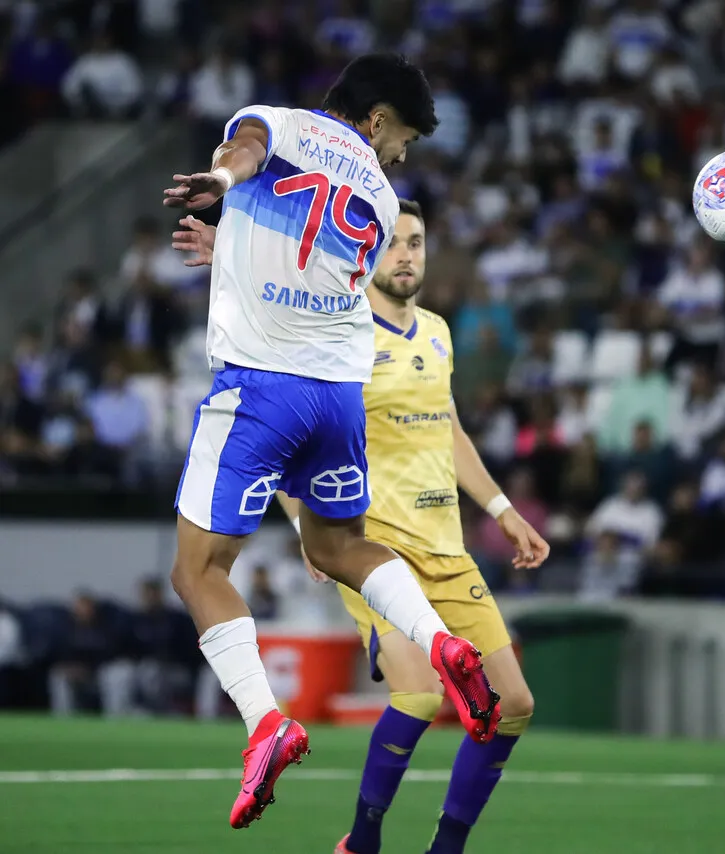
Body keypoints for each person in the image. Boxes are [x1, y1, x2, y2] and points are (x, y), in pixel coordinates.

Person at [162, 54, 502, 830]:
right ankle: (442, 644)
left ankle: (264, 723)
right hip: (338, 398)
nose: (401, 155)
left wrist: (220, 182)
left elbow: (247, 152)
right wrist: (229, 246)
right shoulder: (376, 195)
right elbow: (310, 270)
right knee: (340, 546)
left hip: (260, 391)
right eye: (405, 138)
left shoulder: (280, 123)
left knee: (198, 570)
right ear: (376, 121)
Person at [176, 199, 550, 854]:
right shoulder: (340, 330)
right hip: (373, 548)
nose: (405, 255)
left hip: (446, 547)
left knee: (515, 704)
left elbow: (450, 429)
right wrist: (305, 526)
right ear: (367, 254)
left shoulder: (437, 331)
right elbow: (298, 429)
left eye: (416, 242)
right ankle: (365, 840)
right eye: (394, 243)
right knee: (419, 694)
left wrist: (501, 509)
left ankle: (446, 846)